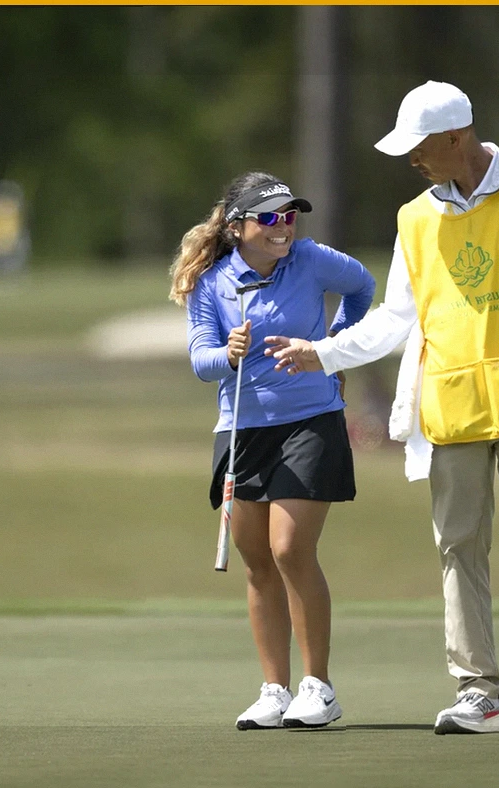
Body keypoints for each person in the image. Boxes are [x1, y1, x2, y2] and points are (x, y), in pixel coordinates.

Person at [265, 81, 499, 737]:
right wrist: (324, 353)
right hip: (451, 409)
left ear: (457, 137)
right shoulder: (415, 218)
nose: (412, 160)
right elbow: (396, 318)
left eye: (419, 147)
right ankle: (480, 694)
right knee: (458, 549)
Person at [169, 171, 376, 730]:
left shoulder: (309, 259)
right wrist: (229, 354)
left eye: (289, 216)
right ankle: (274, 690)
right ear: (238, 227)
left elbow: (362, 286)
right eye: (269, 217)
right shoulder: (212, 283)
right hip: (242, 429)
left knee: (289, 549)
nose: (283, 227)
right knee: (258, 560)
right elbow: (201, 360)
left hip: (311, 420)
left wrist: (331, 349)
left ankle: (319, 687)